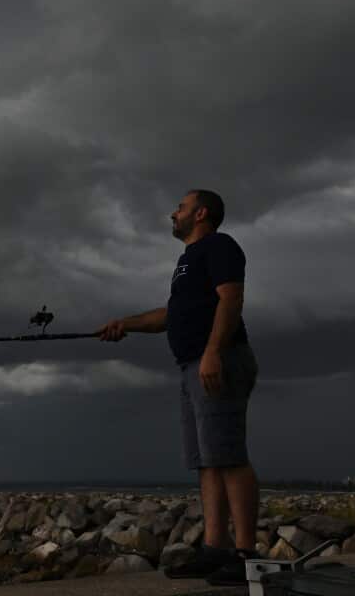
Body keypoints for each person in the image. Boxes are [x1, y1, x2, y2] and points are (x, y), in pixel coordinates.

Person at [96, 189, 259, 587]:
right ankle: (215, 549)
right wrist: (126, 324)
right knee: (207, 460)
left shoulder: (219, 246)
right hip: (190, 366)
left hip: (217, 361)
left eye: (181, 208)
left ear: (201, 213)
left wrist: (213, 352)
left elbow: (231, 298)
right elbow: (169, 316)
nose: (174, 213)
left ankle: (246, 555)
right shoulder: (186, 262)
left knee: (229, 457)